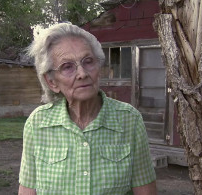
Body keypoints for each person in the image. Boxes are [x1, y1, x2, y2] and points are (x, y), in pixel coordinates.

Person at [18, 23, 156, 195]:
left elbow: (145, 190)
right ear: (52, 82)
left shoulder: (129, 120)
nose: (82, 73)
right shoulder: (37, 124)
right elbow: (27, 189)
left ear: (99, 68)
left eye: (88, 61)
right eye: (67, 67)